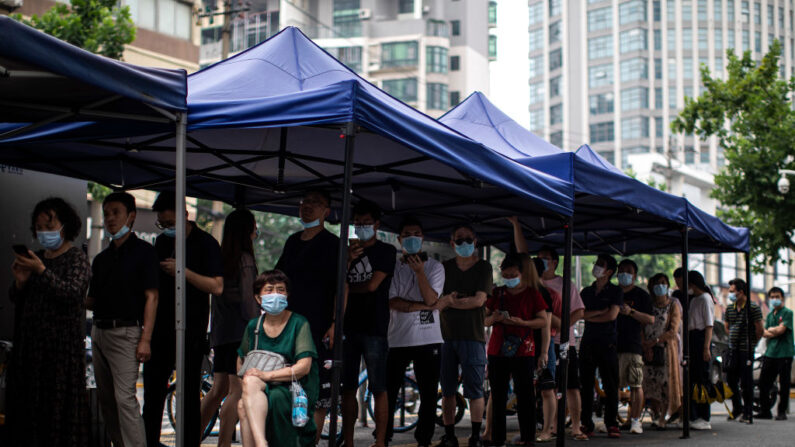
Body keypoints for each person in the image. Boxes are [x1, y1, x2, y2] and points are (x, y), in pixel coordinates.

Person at [8, 197, 91, 447]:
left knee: (57, 414)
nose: (44, 233)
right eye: (39, 228)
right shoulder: (36, 259)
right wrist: (21, 281)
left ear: (65, 226)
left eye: (49, 226)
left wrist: (41, 271)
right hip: (31, 350)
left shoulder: (76, 258)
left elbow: (72, 293)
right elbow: (17, 299)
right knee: (29, 414)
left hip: (61, 353)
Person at [143, 191, 224, 447]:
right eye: (162, 224)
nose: (166, 229)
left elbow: (216, 286)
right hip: (160, 329)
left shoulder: (207, 243)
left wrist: (183, 271)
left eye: (170, 223)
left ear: (185, 216)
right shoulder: (161, 242)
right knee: (153, 394)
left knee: (188, 395)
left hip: (191, 330)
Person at [88, 192, 159, 447]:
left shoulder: (145, 253)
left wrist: (146, 339)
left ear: (131, 216)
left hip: (128, 332)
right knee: (107, 401)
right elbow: (91, 300)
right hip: (98, 331)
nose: (109, 218)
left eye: (115, 212)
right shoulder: (101, 259)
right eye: (106, 213)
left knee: (124, 399)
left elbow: (152, 298)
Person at [274, 189, 339, 442]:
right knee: (287, 388)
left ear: (327, 211)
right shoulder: (292, 241)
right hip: (288, 326)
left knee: (318, 390)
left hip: (320, 326)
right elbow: (278, 278)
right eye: (304, 202)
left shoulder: (332, 244)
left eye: (315, 203)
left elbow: (340, 288)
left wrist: (335, 323)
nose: (307, 207)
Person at [386, 216, 449, 447]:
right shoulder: (393, 267)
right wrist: (423, 306)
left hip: (429, 339)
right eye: (407, 235)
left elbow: (432, 298)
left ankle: (423, 439)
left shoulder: (435, 267)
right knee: (389, 390)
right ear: (399, 239)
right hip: (397, 339)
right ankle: (383, 436)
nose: (412, 238)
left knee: (429, 393)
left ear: (423, 238)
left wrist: (420, 273)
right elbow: (392, 301)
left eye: (416, 234)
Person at [237, 270, 318, 447]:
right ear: (258, 298)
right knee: (248, 387)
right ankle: (261, 444)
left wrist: (266, 375)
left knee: (245, 405)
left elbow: (304, 367)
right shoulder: (253, 326)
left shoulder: (299, 323)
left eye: (280, 290)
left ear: (287, 295)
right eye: (269, 290)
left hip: (292, 386)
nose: (275, 294)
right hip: (260, 385)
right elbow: (241, 359)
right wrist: (252, 377)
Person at [200, 209, 260, 447]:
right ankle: (223, 443)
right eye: (254, 226)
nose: (256, 232)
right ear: (247, 230)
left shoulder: (221, 257)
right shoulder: (244, 259)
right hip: (240, 334)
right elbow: (248, 301)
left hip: (221, 333)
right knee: (237, 390)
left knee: (218, 389)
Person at [342, 201, 397, 447]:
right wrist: (347, 262)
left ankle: (380, 441)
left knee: (379, 387)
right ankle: (349, 440)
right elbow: (336, 284)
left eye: (366, 223)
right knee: (347, 387)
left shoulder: (386, 251)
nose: (361, 227)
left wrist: (349, 287)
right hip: (347, 326)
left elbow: (373, 285)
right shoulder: (347, 251)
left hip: (375, 328)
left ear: (376, 224)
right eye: (358, 223)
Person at [485, 254, 548, 447]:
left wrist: (523, 323)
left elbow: (543, 321)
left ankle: (528, 437)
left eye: (513, 274)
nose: (509, 278)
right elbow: (483, 321)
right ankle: (498, 439)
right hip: (498, 350)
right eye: (506, 275)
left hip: (524, 351)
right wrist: (494, 318)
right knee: (498, 395)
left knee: (526, 395)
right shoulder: (497, 293)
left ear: (521, 274)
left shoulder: (532, 293)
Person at [440, 224, 493, 447]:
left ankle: (475, 436)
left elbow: (479, 300)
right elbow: (438, 302)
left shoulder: (484, 267)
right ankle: (450, 435)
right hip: (445, 337)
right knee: (447, 391)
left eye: (467, 239)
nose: (463, 243)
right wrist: (454, 302)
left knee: (475, 390)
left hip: (473, 337)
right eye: (459, 240)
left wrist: (452, 302)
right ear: (452, 243)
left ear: (475, 241)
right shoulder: (444, 268)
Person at [534, 242, 586, 441]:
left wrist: (563, 328)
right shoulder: (533, 284)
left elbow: (579, 311)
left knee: (571, 386)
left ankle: (576, 427)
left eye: (545, 258)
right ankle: (553, 426)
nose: (542, 261)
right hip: (542, 343)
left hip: (565, 343)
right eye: (539, 258)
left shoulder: (565, 285)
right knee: (550, 387)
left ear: (555, 262)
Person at [579, 254, 623, 439]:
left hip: (608, 342)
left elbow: (612, 315)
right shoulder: (586, 292)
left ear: (609, 271)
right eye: (596, 263)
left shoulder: (615, 291)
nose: (596, 267)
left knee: (611, 384)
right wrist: (599, 312)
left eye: (600, 265)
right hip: (588, 341)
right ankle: (586, 424)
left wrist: (591, 315)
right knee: (586, 385)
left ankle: (611, 423)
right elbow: (581, 314)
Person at [615, 259, 654, 434]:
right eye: (621, 270)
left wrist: (631, 312)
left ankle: (636, 421)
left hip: (633, 345)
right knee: (611, 384)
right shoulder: (612, 292)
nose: (624, 274)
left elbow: (650, 319)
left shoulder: (642, 295)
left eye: (628, 271)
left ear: (635, 275)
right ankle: (612, 420)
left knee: (636, 384)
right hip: (611, 345)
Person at [641, 273, 681, 429]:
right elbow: (642, 326)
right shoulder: (648, 304)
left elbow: (673, 330)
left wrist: (655, 342)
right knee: (650, 384)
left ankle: (663, 417)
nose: (660, 286)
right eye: (657, 283)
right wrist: (646, 344)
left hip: (664, 349)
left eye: (663, 283)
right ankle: (655, 414)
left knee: (665, 384)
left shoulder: (672, 305)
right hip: (647, 349)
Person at [724, 278, 763, 423]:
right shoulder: (730, 308)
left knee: (746, 382)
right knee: (731, 380)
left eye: (732, 291)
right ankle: (737, 408)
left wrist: (752, 343)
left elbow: (760, 329)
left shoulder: (752, 308)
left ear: (741, 292)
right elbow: (726, 326)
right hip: (732, 350)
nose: (730, 294)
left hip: (745, 350)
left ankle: (747, 411)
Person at [756, 287, 793, 420]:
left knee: (784, 384)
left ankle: (781, 412)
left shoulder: (788, 313)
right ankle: (765, 411)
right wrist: (773, 330)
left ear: (782, 297)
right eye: (772, 297)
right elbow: (764, 333)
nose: (774, 299)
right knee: (763, 383)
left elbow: (781, 330)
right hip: (770, 353)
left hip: (784, 353)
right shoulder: (771, 315)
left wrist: (772, 331)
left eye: (777, 296)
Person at [687, 270, 715, 430]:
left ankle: (704, 416)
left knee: (702, 380)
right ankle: (694, 415)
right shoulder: (694, 300)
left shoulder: (705, 299)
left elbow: (709, 326)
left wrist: (706, 347)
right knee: (693, 379)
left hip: (701, 338)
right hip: (693, 338)